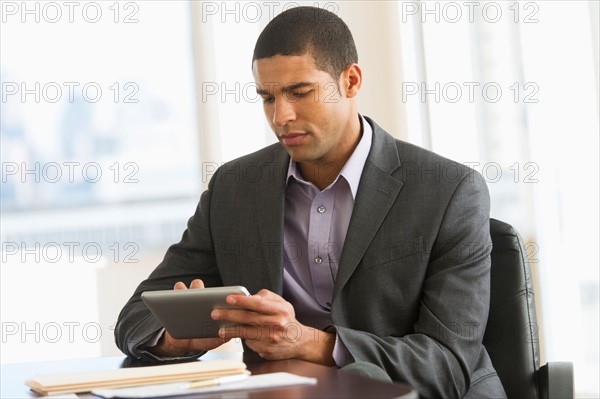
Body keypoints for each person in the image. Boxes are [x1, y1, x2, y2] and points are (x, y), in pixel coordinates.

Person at [115, 6, 506, 398]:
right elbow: (135, 318)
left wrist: (311, 343)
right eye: (267, 97)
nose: (280, 116)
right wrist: (174, 339)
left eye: (300, 92)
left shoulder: (448, 191)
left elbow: (448, 365)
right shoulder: (234, 188)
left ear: (351, 81)